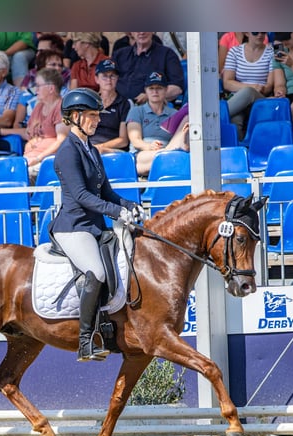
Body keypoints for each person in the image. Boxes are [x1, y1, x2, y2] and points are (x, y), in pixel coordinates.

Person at [48, 88, 144, 361]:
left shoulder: (91, 149)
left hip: (94, 226)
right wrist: (115, 212)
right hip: (73, 227)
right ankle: (85, 341)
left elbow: (106, 193)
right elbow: (81, 196)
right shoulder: (67, 152)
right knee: (97, 272)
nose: (97, 120)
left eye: (97, 115)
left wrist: (128, 206)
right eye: (91, 115)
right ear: (75, 117)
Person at [0, 68, 68, 182]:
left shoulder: (61, 108)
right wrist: (0, 131)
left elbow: (61, 141)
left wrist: (38, 158)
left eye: (38, 86)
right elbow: (27, 133)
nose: (35, 89)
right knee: (2, 174)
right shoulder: (39, 107)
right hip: (29, 160)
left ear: (51, 88)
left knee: (18, 177)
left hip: (49, 162)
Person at [126, 71, 189, 176]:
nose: (155, 91)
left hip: (170, 155)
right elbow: (135, 141)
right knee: (171, 157)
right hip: (143, 156)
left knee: (187, 118)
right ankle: (168, 152)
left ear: (166, 90)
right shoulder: (136, 111)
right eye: (151, 88)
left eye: (159, 88)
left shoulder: (174, 113)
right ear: (145, 91)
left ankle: (168, 152)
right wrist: (149, 146)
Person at [221, 31, 274, 139]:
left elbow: (269, 86)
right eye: (255, 32)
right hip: (238, 98)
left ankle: (217, 116)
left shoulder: (270, 53)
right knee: (234, 122)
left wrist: (256, 89)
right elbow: (227, 82)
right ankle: (241, 150)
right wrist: (252, 87)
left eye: (263, 32)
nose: (260, 35)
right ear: (246, 33)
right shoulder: (234, 52)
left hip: (260, 98)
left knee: (249, 92)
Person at [113, 32, 184, 104]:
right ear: (131, 33)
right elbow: (107, 79)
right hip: (117, 107)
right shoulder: (119, 54)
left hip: (150, 108)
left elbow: (177, 88)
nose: (142, 32)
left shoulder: (167, 54)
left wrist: (150, 96)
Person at [14, 49, 68, 130]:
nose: (57, 68)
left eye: (60, 65)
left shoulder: (66, 94)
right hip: (26, 134)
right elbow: (17, 124)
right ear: (42, 67)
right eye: (53, 64)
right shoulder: (26, 94)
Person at [89, 59, 131, 154]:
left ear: (117, 78)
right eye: (104, 76)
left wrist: (100, 147)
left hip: (112, 149)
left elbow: (123, 140)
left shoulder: (124, 103)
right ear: (96, 79)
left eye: (112, 76)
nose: (109, 80)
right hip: (89, 146)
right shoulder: (90, 101)